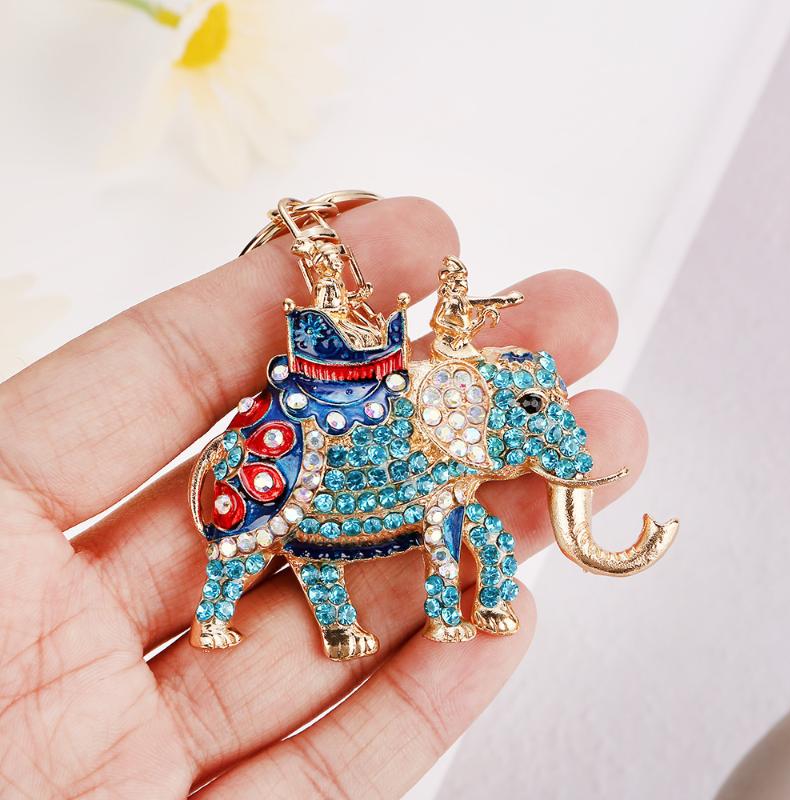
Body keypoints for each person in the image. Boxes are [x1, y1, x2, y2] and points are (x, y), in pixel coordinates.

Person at [0, 197, 643, 798]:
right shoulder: (384, 387)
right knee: (274, 543)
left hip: (402, 439)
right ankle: (228, 613)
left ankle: (389, 614)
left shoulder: (453, 419)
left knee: (445, 529)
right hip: (307, 464)